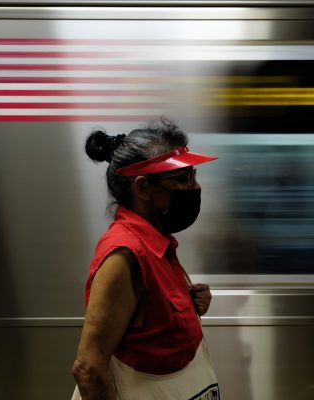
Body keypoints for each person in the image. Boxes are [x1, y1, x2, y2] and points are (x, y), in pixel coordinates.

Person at [72, 118, 220, 400]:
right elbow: (87, 368)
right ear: (143, 189)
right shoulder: (124, 255)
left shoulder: (157, 243)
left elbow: (147, 327)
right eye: (183, 178)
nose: (195, 187)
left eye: (194, 175)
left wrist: (188, 307)